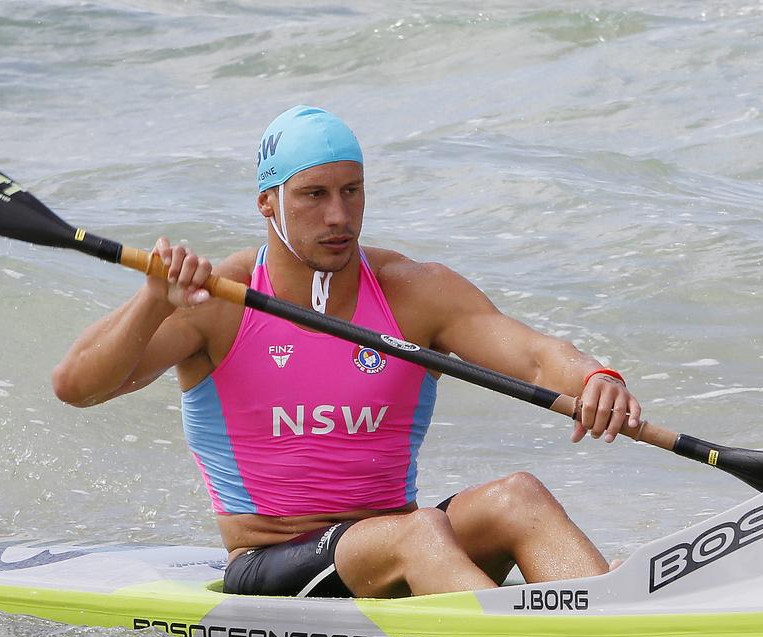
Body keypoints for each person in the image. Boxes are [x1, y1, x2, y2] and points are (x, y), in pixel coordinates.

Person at [52, 105, 642, 599]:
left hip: (402, 545)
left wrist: (595, 377)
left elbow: (538, 356)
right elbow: (77, 386)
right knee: (419, 532)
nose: (338, 216)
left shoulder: (414, 291)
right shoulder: (218, 299)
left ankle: (612, 623)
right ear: (268, 203)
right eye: (313, 195)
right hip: (273, 564)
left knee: (519, 497)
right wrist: (154, 300)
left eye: (351, 191)